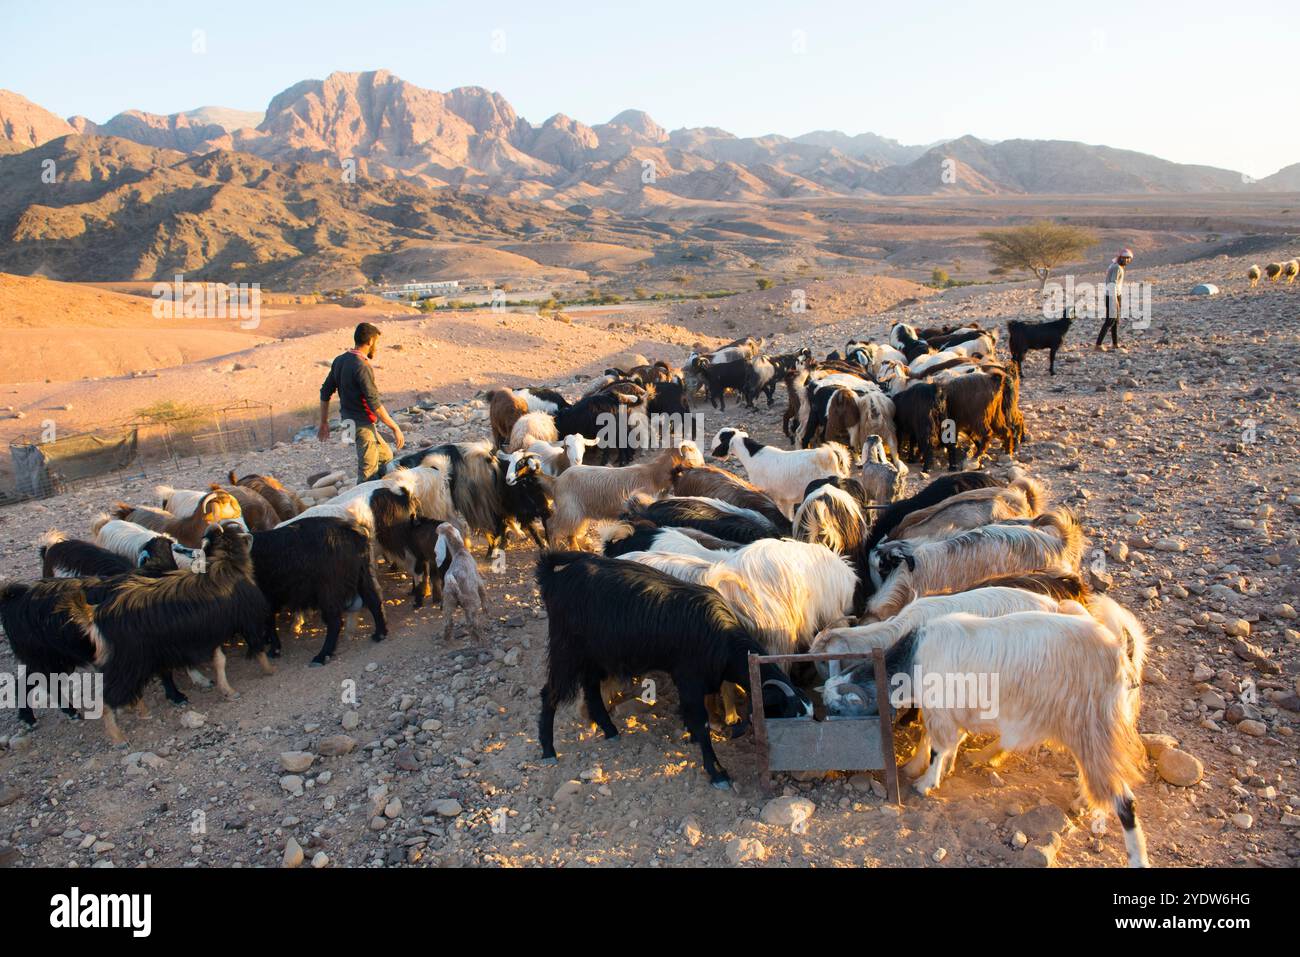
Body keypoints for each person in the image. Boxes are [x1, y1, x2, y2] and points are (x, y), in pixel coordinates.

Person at [319, 322, 405, 482]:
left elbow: (325, 392)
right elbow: (375, 404)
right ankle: (365, 502)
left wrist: (323, 423)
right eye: (377, 343)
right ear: (371, 341)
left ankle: (382, 494)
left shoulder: (340, 360)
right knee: (367, 475)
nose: (376, 348)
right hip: (361, 426)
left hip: (348, 422)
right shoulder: (361, 366)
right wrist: (395, 427)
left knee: (386, 456)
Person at [1096, 247, 1133, 351]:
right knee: (1109, 321)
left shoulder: (1116, 266)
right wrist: (1115, 301)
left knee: (1115, 321)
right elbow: (1113, 284)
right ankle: (1098, 345)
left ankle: (1115, 344)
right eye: (1124, 258)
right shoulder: (1117, 267)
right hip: (1112, 296)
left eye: (1128, 258)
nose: (1126, 260)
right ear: (1120, 257)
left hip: (1114, 295)